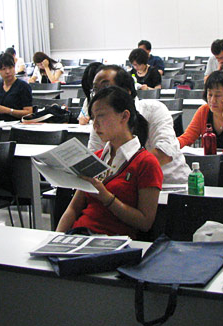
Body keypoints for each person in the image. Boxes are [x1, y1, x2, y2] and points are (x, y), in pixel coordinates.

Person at [56, 86, 163, 238]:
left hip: (112, 241)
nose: (95, 125)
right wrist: (56, 238)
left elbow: (145, 222)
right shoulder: (96, 157)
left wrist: (105, 197)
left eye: (101, 116)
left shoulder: (146, 162)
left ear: (124, 116)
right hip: (79, 234)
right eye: (93, 118)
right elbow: (73, 209)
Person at [89, 65, 190, 183]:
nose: (99, 94)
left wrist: (123, 174)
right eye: (95, 89)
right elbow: (93, 161)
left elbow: (165, 153)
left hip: (170, 185)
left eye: (106, 87)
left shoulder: (154, 110)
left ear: (126, 91)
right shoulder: (98, 123)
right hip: (122, 188)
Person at [0, 53, 33, 121]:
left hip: (17, 124)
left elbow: (29, 113)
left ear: (14, 67)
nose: (7, 72)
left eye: (10, 68)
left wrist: (7, 110)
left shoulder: (23, 87)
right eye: (3, 69)